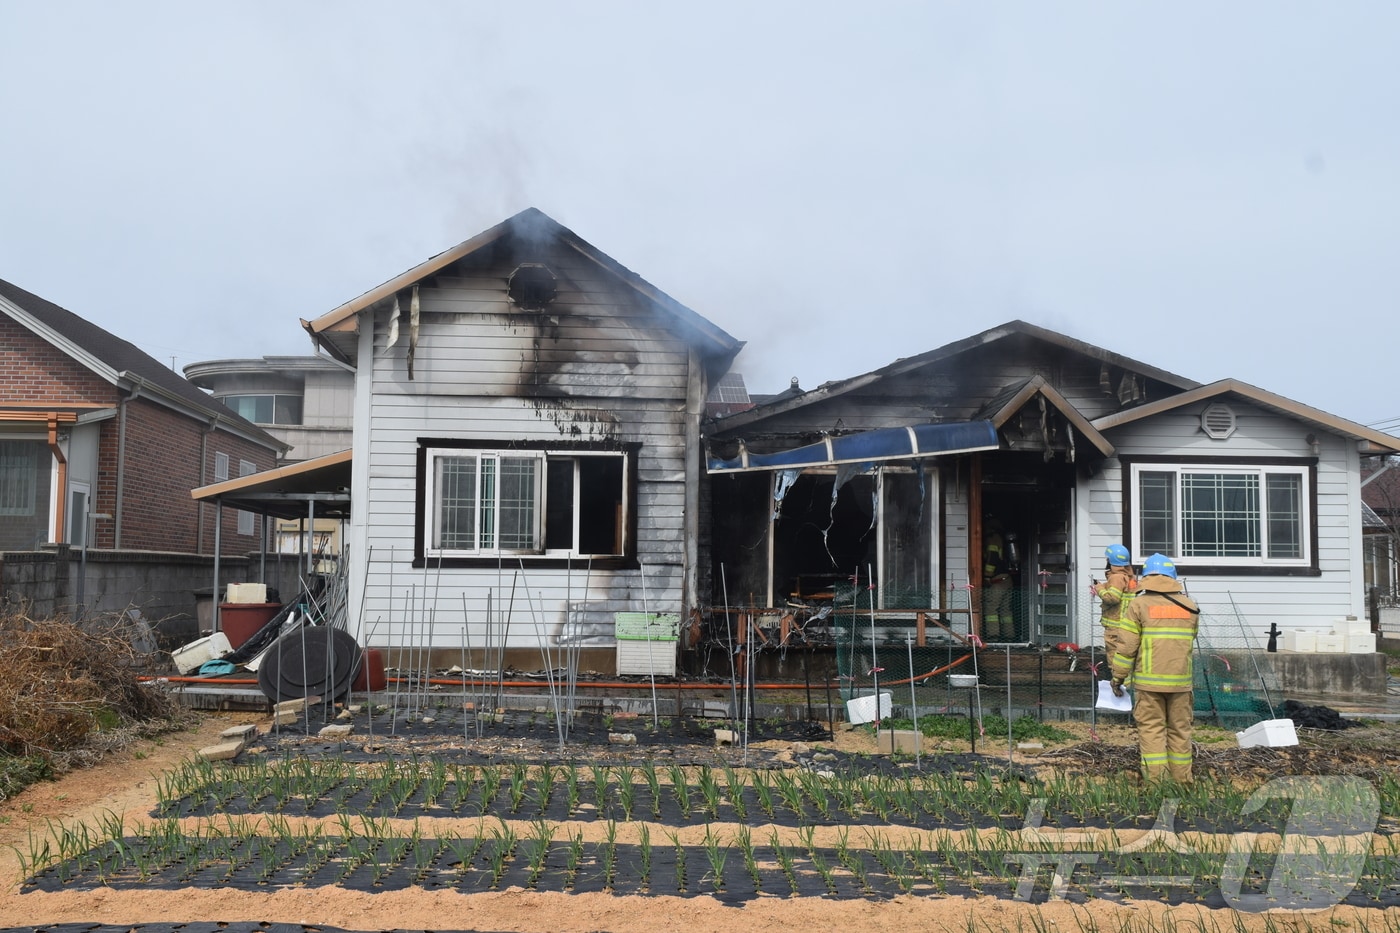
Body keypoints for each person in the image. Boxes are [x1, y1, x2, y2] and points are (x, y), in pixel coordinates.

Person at [1110, 553, 1200, 784]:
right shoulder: (1189, 605)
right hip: (1181, 683)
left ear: (1146, 576)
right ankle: (1182, 783)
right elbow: (1190, 639)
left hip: (1149, 684)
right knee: (1180, 732)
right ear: (1173, 577)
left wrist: (1117, 679)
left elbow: (1127, 647)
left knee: (1152, 731)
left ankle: (1156, 784)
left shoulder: (1138, 604)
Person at [1092, 544, 1137, 669]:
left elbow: (1113, 598)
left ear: (1111, 560)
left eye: (1107, 559)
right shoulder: (1128, 577)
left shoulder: (1117, 577)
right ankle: (1125, 686)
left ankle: (1119, 687)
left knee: (1115, 660)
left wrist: (1099, 588)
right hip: (1126, 624)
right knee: (1124, 659)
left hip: (1115, 627)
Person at [982, 527, 1012, 640]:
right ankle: (1009, 636)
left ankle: (993, 636)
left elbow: (992, 557)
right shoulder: (1003, 537)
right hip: (1007, 579)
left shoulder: (992, 538)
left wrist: (987, 575)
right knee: (1005, 610)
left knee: (991, 610)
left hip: (997, 580)